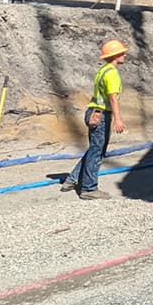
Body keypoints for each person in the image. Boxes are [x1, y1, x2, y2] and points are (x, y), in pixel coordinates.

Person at [61, 39, 127, 200]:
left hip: (93, 112)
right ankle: (89, 189)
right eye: (122, 52)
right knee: (97, 152)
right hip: (101, 115)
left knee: (94, 150)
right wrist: (118, 119)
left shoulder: (103, 70)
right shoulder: (112, 73)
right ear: (115, 55)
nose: (124, 55)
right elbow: (113, 98)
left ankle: (73, 179)